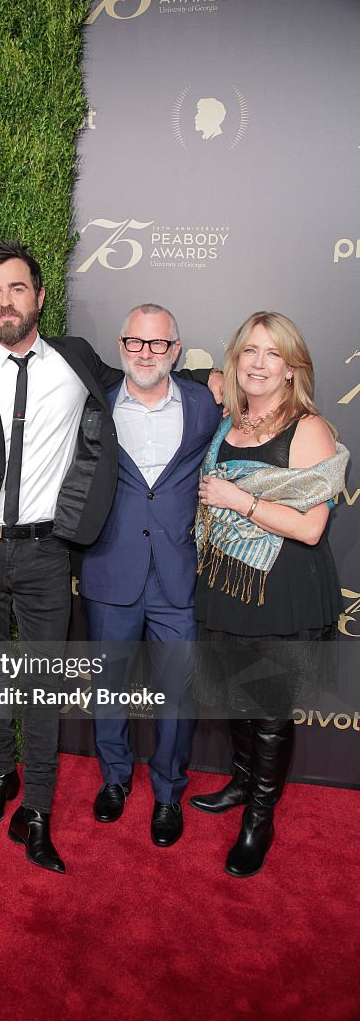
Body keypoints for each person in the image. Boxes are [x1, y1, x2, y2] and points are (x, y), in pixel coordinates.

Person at [0, 239, 123, 873]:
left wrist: (217, 385)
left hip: (47, 553)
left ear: (40, 297)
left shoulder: (77, 360)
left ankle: (36, 808)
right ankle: (1, 776)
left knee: (41, 689)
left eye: (16, 288)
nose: (4, 301)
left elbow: (146, 381)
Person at [191, 311, 348, 877]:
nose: (257, 363)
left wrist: (241, 502)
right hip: (230, 582)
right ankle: (240, 781)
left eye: (271, 354)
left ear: (291, 368)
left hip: (282, 590)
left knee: (269, 713)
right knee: (235, 697)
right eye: (248, 351)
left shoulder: (308, 429)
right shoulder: (229, 419)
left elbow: (310, 527)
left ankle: (260, 817)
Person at [80, 304, 222, 847]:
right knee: (108, 688)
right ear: (120, 346)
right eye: (136, 343)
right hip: (110, 570)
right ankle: (114, 780)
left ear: (175, 351)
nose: (145, 353)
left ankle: (168, 791)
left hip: (178, 577)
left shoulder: (205, 404)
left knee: (176, 694)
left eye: (158, 344)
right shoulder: (94, 404)